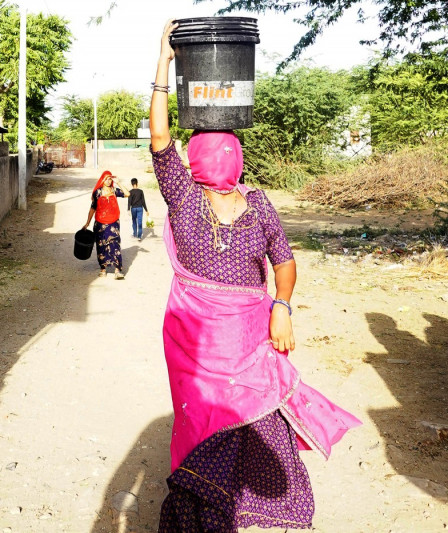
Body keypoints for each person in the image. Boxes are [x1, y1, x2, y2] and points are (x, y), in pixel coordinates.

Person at [150, 21, 361, 531]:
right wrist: (165, 58)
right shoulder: (184, 196)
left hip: (249, 335)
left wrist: (281, 309)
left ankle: (237, 505)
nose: (218, 153)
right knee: (204, 421)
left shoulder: (255, 202)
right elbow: (160, 137)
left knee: (255, 418)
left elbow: (284, 259)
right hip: (198, 340)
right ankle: (203, 512)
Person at [82, 170, 130, 279]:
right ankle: (103, 269)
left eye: (110, 179)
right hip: (100, 224)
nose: (109, 181)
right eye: (107, 179)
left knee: (115, 245)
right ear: (103, 180)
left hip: (113, 223)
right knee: (101, 245)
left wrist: (118, 182)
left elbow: (127, 194)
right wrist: (87, 223)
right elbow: (93, 208)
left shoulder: (114, 190)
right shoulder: (97, 192)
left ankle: (117, 270)